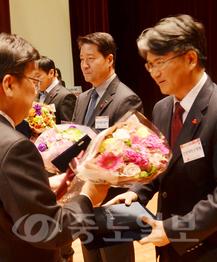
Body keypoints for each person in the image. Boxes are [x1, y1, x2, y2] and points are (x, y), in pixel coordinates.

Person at [0, 32, 109, 262]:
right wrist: (88, 196)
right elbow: (50, 231)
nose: (36, 92)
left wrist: (43, 183)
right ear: (9, 84)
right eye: (33, 82)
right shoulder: (13, 147)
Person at [106, 15, 217, 262]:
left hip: (215, 249)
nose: (154, 72)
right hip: (173, 246)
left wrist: (174, 230)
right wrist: (136, 192)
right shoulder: (163, 108)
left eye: (160, 62)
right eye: (149, 64)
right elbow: (161, 163)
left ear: (190, 59)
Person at [71, 32, 143, 262]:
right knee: (91, 257)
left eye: (91, 58)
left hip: (113, 197)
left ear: (109, 60)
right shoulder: (82, 99)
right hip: (86, 195)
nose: (84, 65)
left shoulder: (126, 98)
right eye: (82, 59)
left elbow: (127, 155)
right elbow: (77, 141)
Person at [35, 57, 76, 124]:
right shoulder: (36, 94)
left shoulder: (65, 96)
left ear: (51, 73)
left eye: (38, 76)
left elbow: (68, 128)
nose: (35, 80)